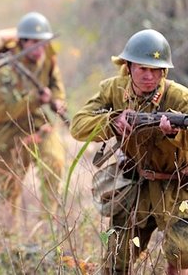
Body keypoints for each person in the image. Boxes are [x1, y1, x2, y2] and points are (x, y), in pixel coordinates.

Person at [71, 29, 188, 274]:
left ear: (164, 71)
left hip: (178, 186)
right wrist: (112, 121)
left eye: (155, 70)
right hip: (137, 184)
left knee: (181, 252)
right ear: (128, 66)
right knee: (116, 259)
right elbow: (78, 125)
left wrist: (174, 133)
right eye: (142, 68)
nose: (149, 76)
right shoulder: (113, 90)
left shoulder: (178, 97)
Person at [0, 12, 66, 219]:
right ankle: (11, 239)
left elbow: (56, 86)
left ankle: (48, 224)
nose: (39, 48)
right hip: (4, 132)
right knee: (10, 187)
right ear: (23, 42)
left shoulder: (48, 59)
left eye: (43, 42)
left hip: (37, 124)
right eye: (34, 42)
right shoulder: (3, 69)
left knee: (54, 162)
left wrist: (57, 99)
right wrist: (35, 99)